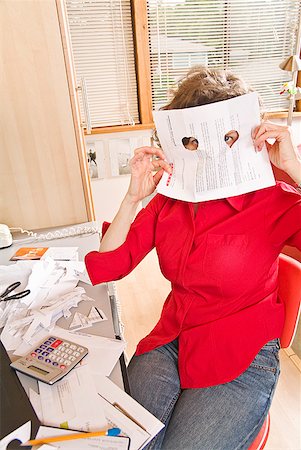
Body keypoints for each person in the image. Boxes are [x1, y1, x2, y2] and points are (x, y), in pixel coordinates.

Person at [85, 66, 301, 450]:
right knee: (125, 444)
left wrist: (295, 168)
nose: (212, 151)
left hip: (243, 353)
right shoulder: (171, 198)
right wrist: (133, 198)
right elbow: (110, 265)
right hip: (173, 337)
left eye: (228, 136)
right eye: (193, 140)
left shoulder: (275, 196)